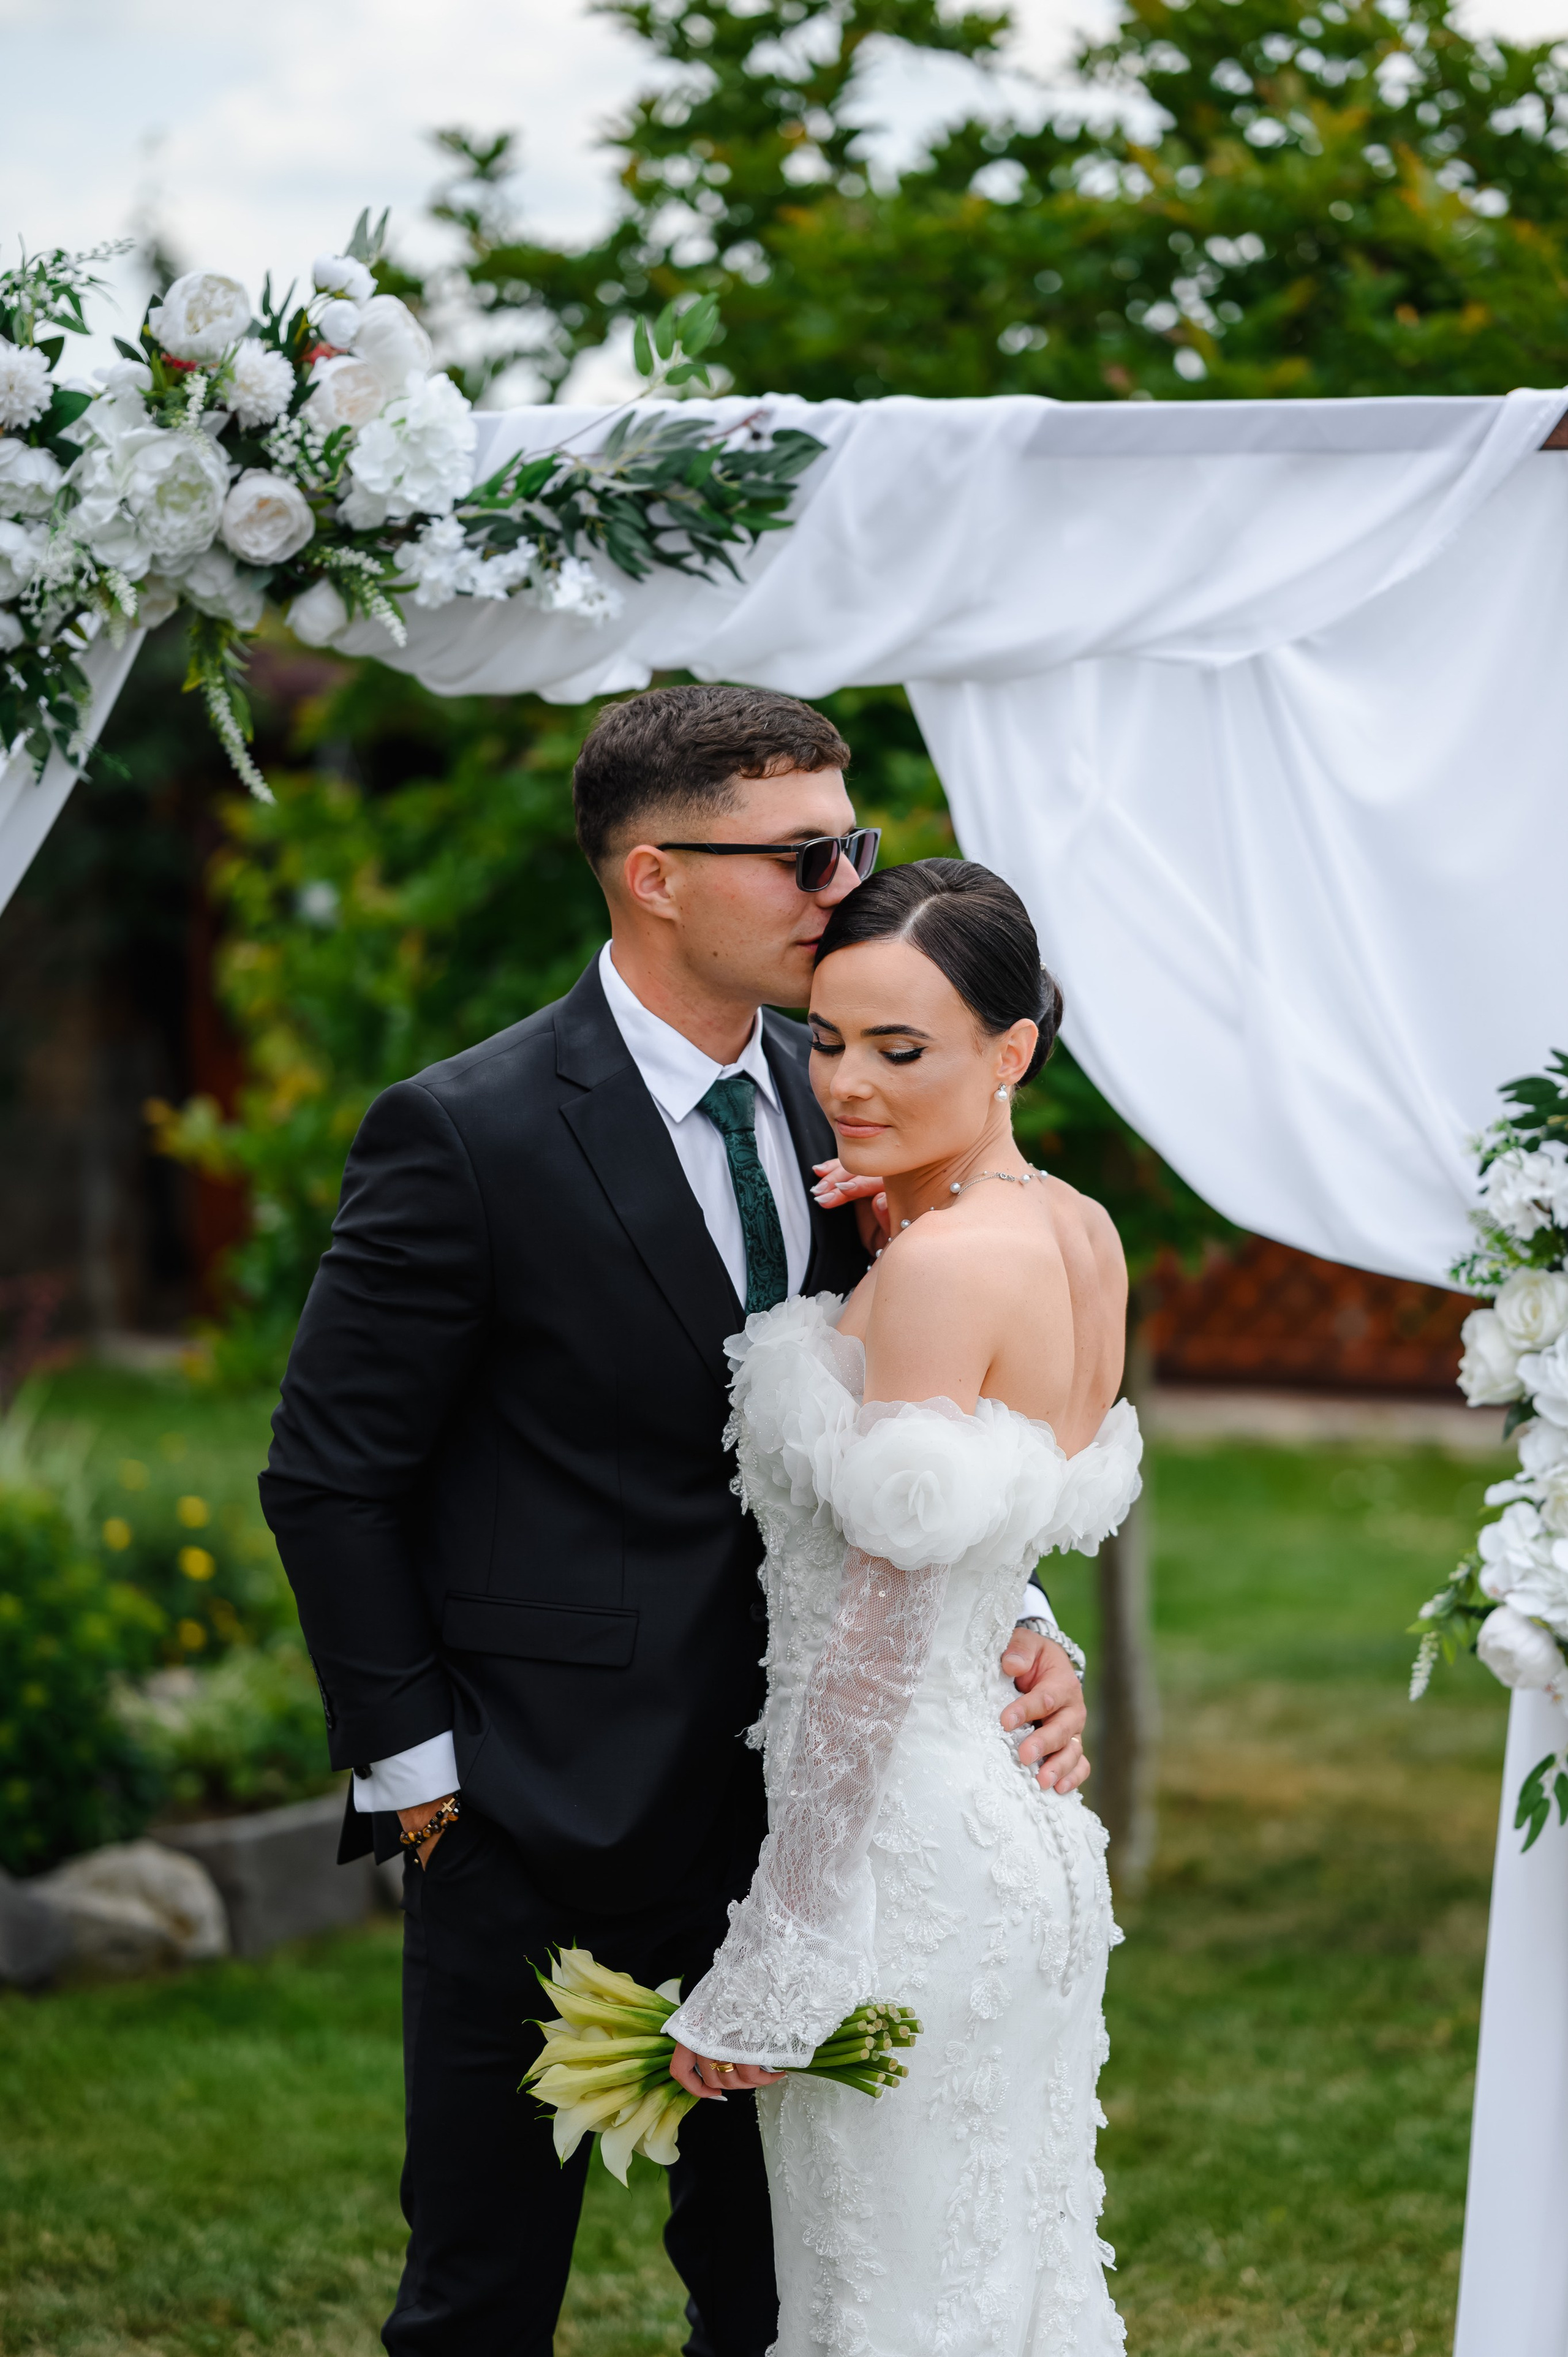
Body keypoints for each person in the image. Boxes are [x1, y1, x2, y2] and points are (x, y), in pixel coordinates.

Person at [258, 686, 1090, 2357]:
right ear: (653, 874)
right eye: (804, 855)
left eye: (850, 844)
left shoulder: (850, 1091)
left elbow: (921, 1428)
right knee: (483, 2293)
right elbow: (330, 1470)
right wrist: (423, 1786)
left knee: (781, 2290)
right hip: (538, 1800)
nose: (845, 889)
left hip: (813, 1808)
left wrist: (1015, 1622)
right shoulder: (465, 1131)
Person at [665, 857, 1139, 2357]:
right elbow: (993, 1520)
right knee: (1001, 2278)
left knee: (888, 2307)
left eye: (900, 1049)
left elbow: (866, 1660)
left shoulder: (943, 1267)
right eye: (828, 1040)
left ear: (1011, 1050)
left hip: (897, 1860)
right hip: (1021, 1833)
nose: (845, 1086)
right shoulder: (1069, 1226)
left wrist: (779, 1950)